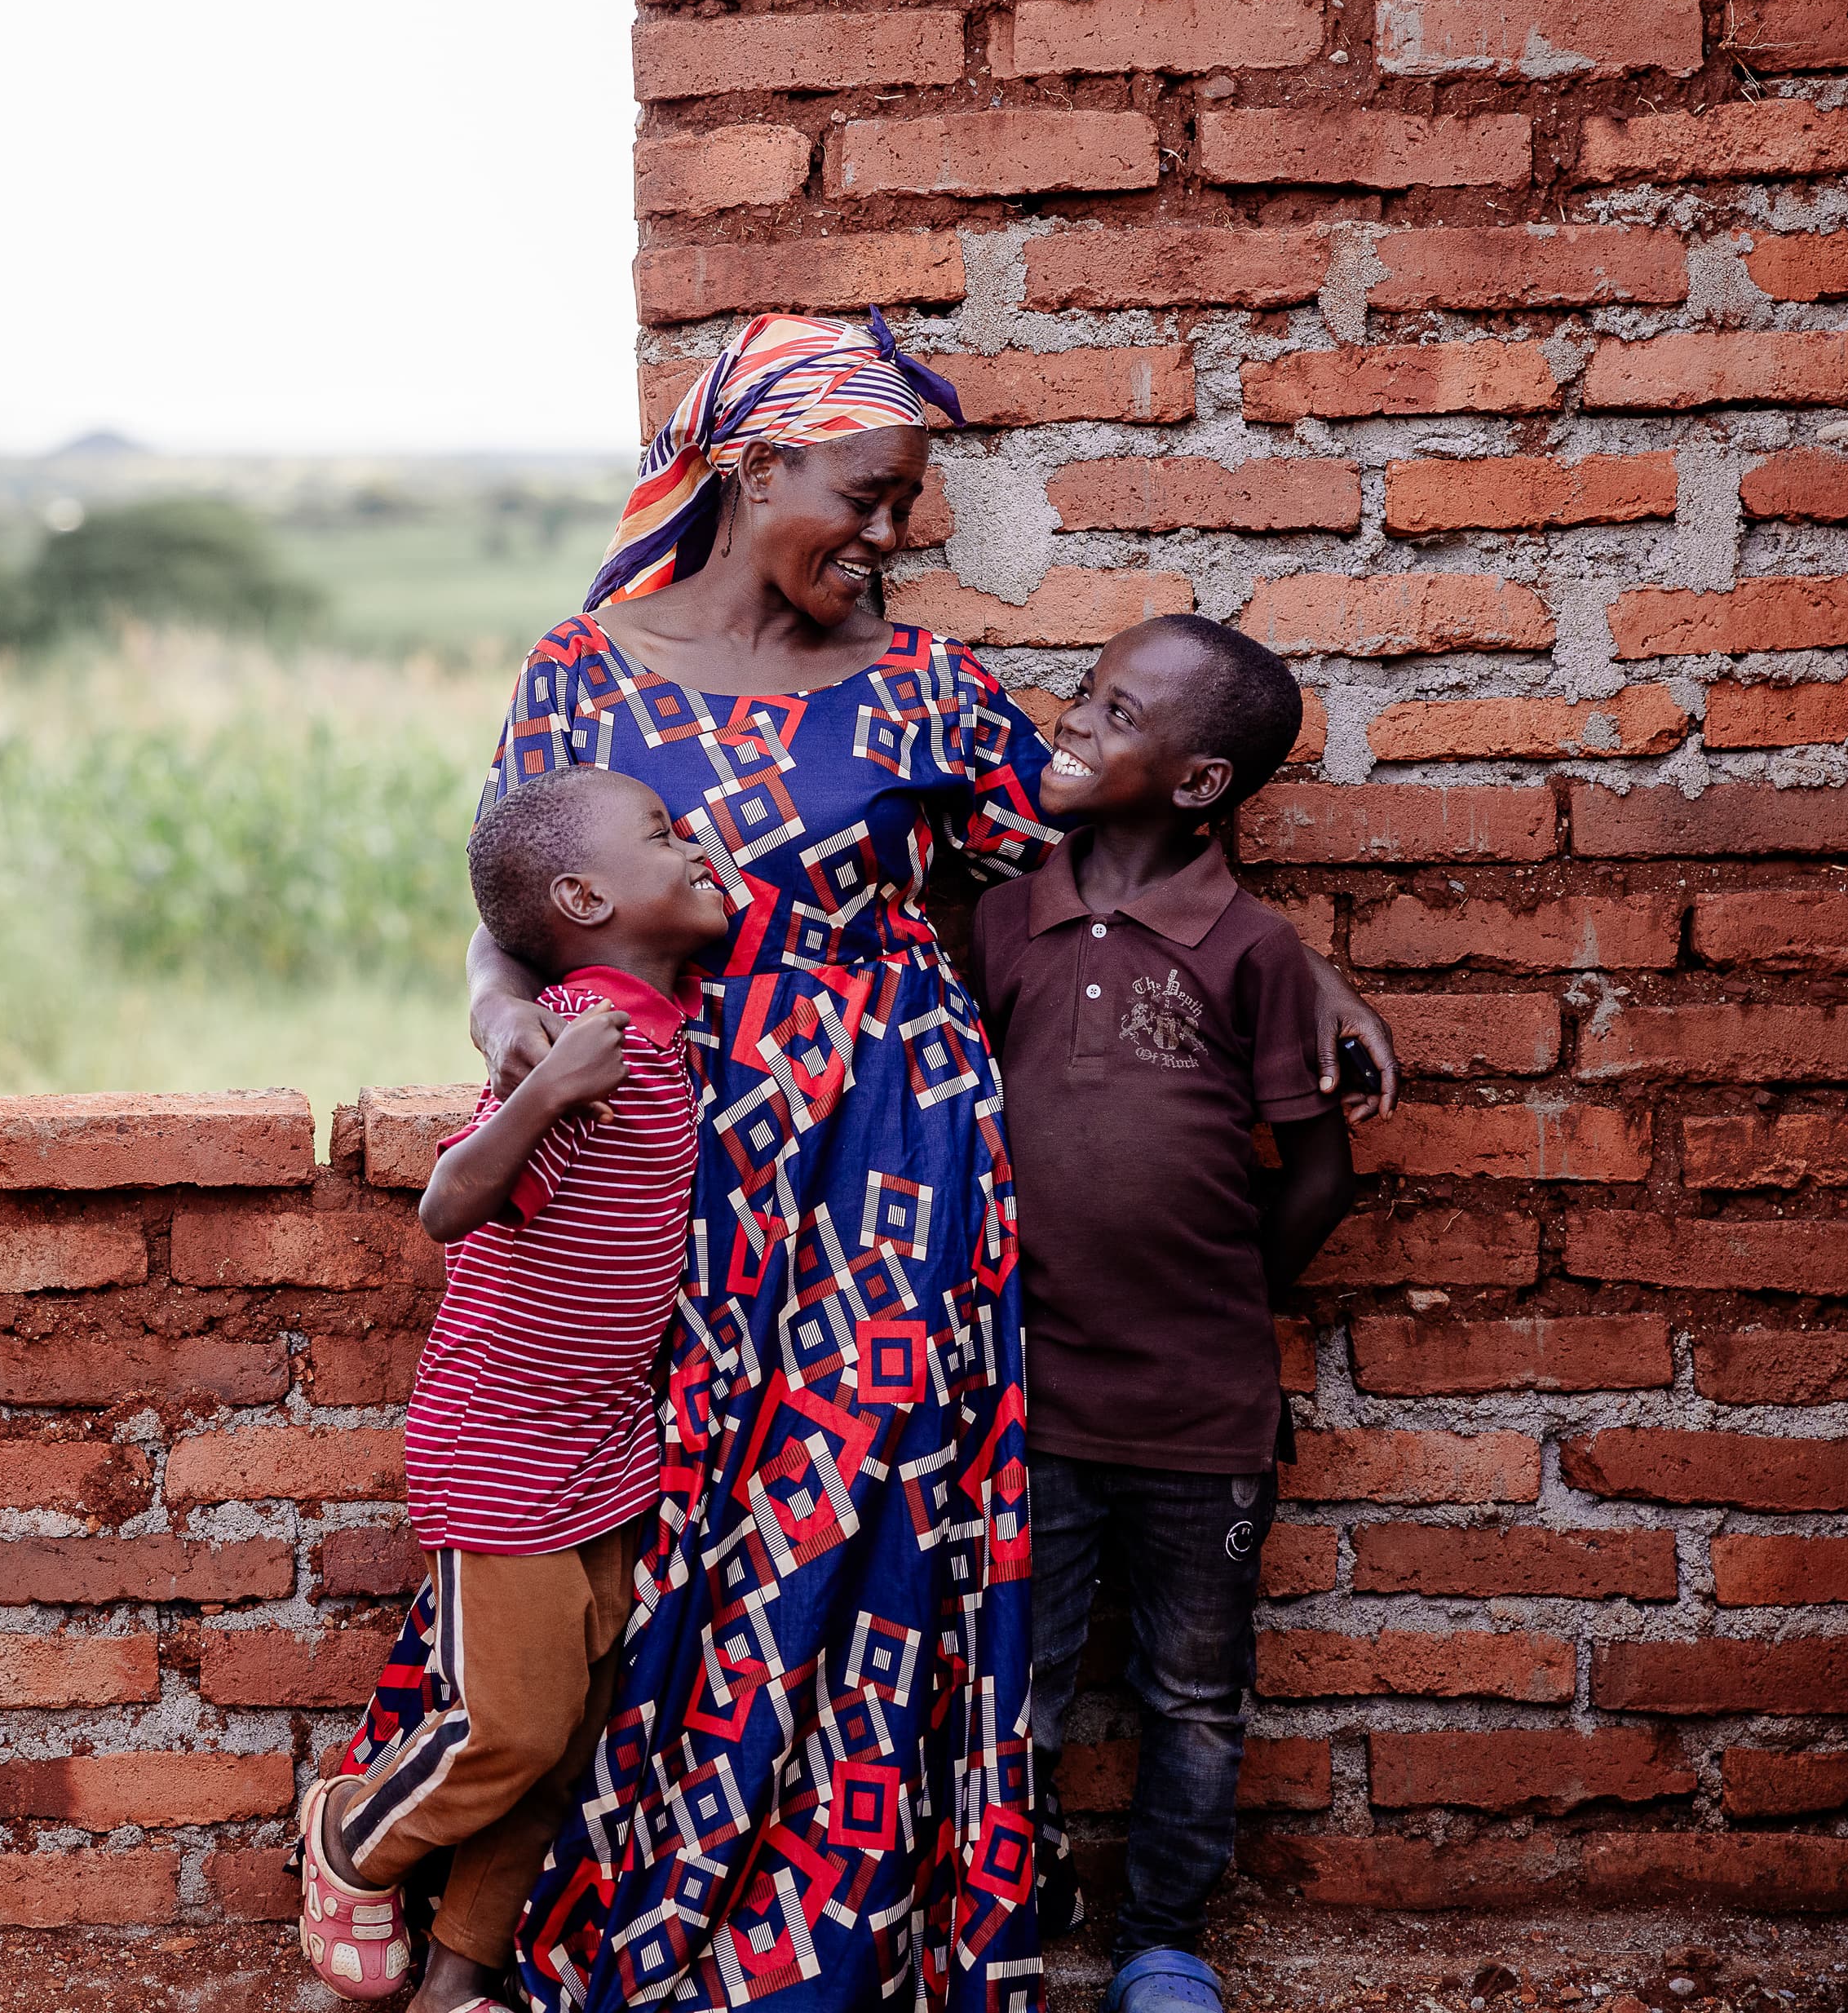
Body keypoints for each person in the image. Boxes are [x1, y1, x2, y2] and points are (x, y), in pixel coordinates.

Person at [338, 311, 1398, 2013]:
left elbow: (1121, 840)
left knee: (868, 1539)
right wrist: (495, 1021)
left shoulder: (924, 687)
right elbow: (508, 910)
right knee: (655, 1531)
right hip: (669, 1166)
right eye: (872, 494)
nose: (893, 538)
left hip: (900, 1174)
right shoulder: (584, 670)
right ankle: (537, 1900)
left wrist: (1301, 964)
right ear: (757, 468)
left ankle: (819, 1925)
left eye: (910, 505)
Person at [962, 617, 1360, 2013]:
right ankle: (1005, 1909)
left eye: (1114, 711)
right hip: (1037, 1396)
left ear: (1199, 782)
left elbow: (1318, 1169)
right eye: (1081, 691)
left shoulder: (1252, 951)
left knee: (1195, 1694)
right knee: (1026, 1683)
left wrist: (1225, 1302)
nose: (1071, 721)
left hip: (1204, 1409)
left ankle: (1165, 1942)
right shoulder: (1004, 915)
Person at [296, 765, 729, 2013]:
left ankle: (455, 1985)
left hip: (608, 1443)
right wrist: (537, 1086)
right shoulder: (583, 1036)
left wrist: (694, 882)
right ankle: (350, 1838)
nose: (694, 843)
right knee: (510, 1730)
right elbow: (448, 1204)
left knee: (568, 1743)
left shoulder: (664, 1007)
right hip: (506, 1444)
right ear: (587, 897)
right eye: (663, 834)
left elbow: (734, 894)